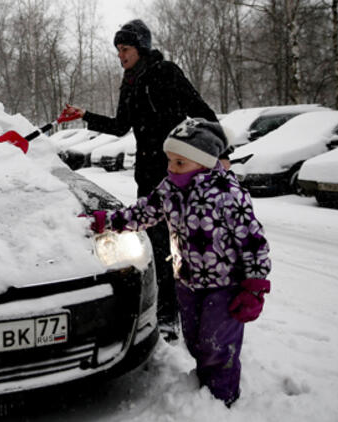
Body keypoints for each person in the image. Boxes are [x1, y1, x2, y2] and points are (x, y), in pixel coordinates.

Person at [87, 117, 271, 406]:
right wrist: (108, 222)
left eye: (180, 162)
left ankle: (221, 399)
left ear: (204, 162)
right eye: (170, 160)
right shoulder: (170, 189)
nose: (172, 168)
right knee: (196, 340)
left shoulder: (228, 195)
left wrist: (255, 286)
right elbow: (143, 212)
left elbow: (253, 241)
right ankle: (204, 383)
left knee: (218, 345)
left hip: (225, 287)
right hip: (187, 281)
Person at [62, 19, 225, 340]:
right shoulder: (130, 82)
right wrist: (85, 116)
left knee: (186, 243)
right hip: (148, 175)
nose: (120, 55)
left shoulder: (166, 72)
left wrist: (223, 150)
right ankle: (166, 314)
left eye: (125, 49)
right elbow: (121, 126)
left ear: (141, 48)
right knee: (158, 244)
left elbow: (201, 109)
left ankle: (188, 312)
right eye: (118, 50)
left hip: (179, 171)